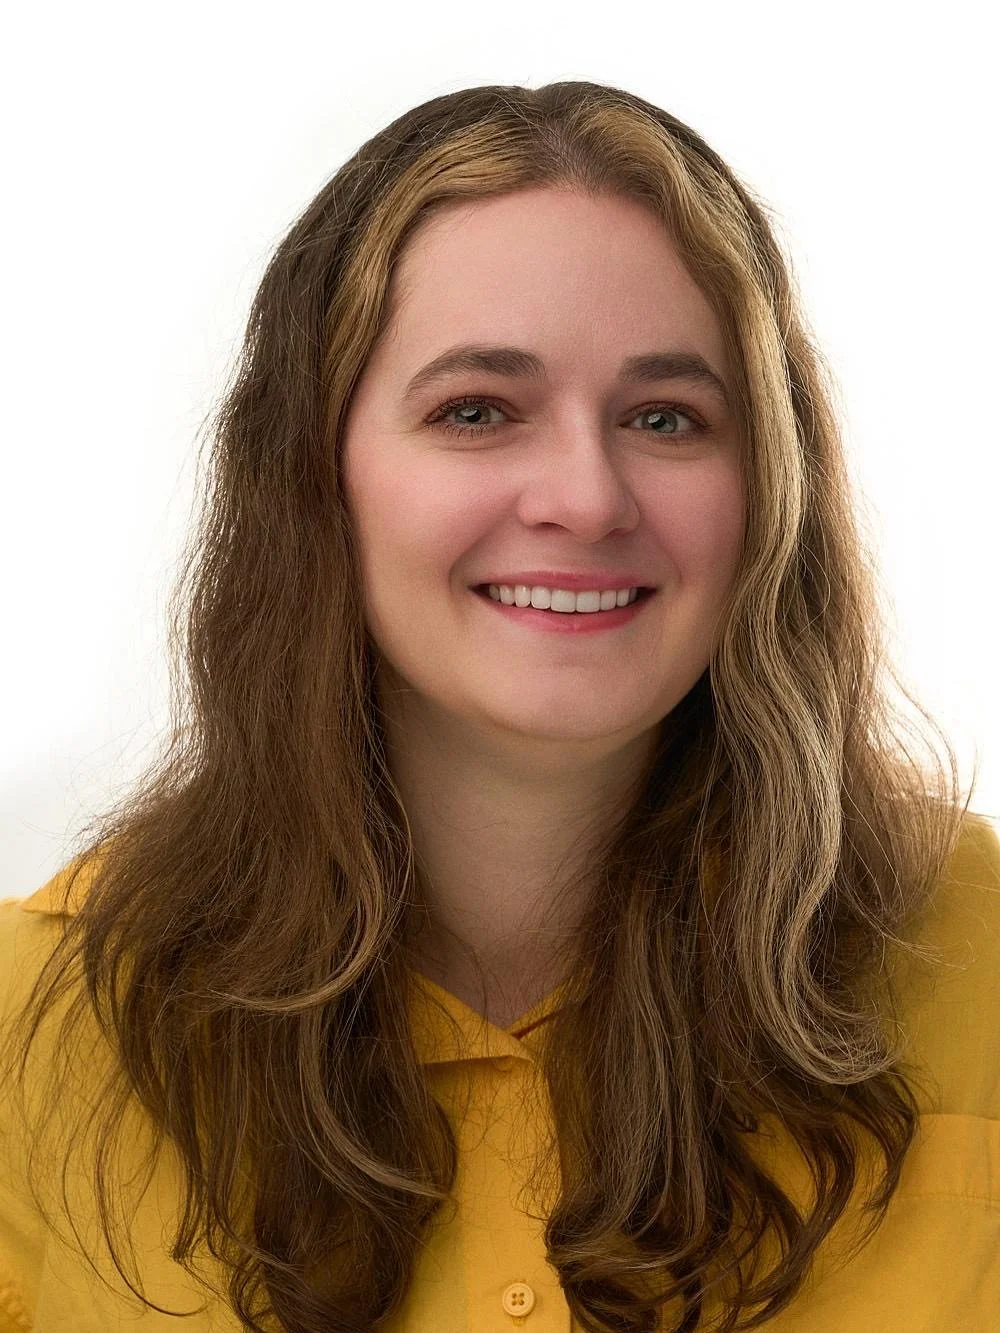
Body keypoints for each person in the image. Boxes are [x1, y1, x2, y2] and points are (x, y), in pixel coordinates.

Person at [1, 79, 997, 1333]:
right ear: (314, 475)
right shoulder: (32, 1021)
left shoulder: (982, 955)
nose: (585, 497)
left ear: (768, 488)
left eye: (664, 416)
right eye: (476, 410)